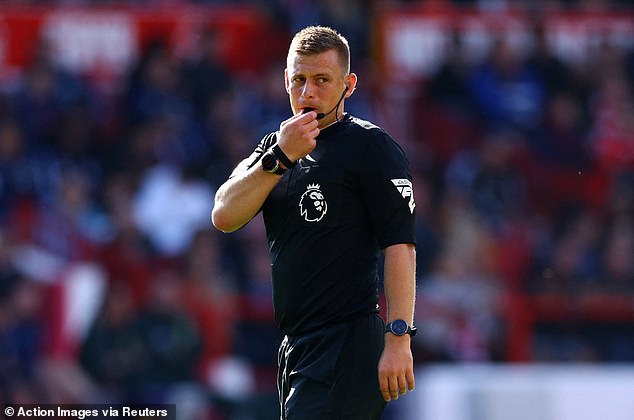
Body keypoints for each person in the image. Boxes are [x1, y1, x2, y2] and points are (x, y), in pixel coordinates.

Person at [211, 26, 416, 419]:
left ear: (348, 85)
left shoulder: (371, 148)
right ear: (285, 81)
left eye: (322, 80)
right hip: (295, 346)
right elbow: (224, 214)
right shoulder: (274, 150)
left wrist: (398, 338)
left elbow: (400, 247)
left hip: (347, 341)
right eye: (299, 80)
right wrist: (279, 159)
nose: (308, 93)